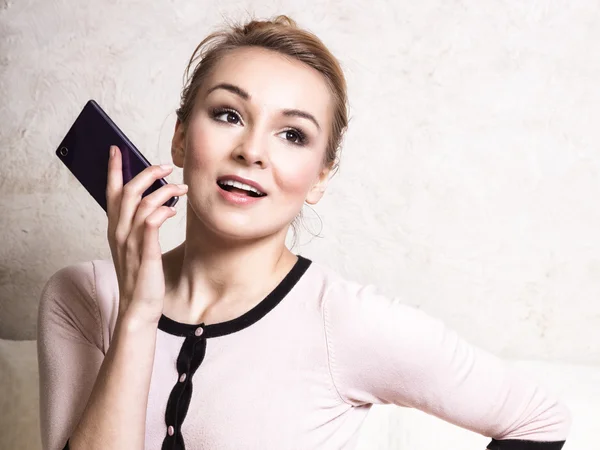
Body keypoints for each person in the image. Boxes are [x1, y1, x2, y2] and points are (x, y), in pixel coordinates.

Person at [37, 15, 571, 450]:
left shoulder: (346, 321)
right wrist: (136, 314)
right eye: (228, 114)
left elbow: (539, 419)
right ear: (180, 139)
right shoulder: (80, 297)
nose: (252, 150)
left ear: (319, 178)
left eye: (292, 134)